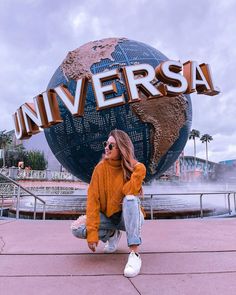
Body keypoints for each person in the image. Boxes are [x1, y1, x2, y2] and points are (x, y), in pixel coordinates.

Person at [71, 129, 146, 277]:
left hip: (129, 218)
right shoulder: (100, 169)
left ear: (122, 149)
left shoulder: (131, 169)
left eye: (111, 146)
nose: (106, 148)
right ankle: (111, 234)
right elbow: (93, 201)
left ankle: (134, 254)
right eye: (106, 144)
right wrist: (92, 234)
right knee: (77, 229)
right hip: (109, 218)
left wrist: (139, 168)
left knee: (130, 199)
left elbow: (128, 191)